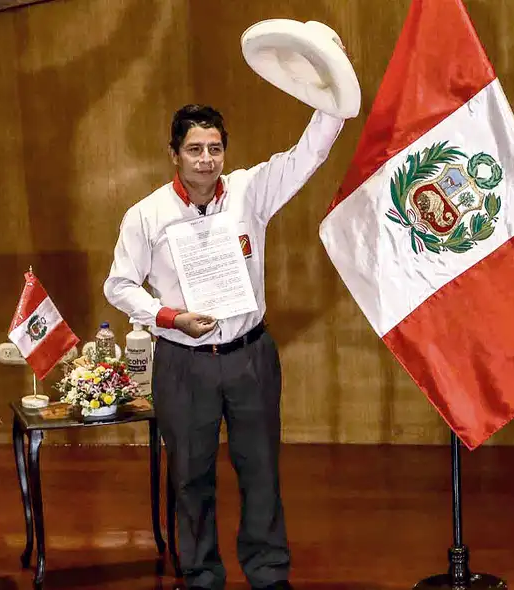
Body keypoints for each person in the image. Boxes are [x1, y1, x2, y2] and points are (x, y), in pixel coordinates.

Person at [103, 99, 344, 590]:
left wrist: (331, 86)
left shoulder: (249, 191)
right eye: (194, 149)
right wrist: (169, 316)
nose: (206, 159)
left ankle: (269, 572)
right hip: (183, 361)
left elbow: (310, 152)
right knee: (190, 478)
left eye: (215, 148)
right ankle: (200, 574)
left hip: (249, 355)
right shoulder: (147, 215)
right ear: (174, 153)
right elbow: (119, 285)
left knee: (261, 472)